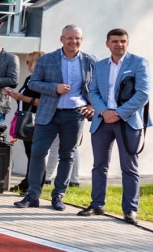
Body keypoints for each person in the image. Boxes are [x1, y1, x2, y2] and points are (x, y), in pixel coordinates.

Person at [15, 25, 95, 211]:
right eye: (69, 38)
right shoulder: (47, 59)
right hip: (48, 113)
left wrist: (91, 106)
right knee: (37, 153)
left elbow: (97, 88)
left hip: (75, 115)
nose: (73, 42)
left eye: (77, 38)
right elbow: (34, 83)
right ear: (62, 39)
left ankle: (58, 196)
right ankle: (33, 195)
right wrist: (54, 88)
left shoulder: (90, 61)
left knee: (67, 156)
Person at [84, 29, 151, 223]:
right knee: (99, 165)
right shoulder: (100, 65)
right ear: (107, 44)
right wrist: (105, 112)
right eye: (115, 41)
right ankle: (97, 205)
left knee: (129, 167)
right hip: (102, 120)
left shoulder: (139, 63)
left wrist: (119, 113)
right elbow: (93, 91)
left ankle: (130, 210)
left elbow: (143, 94)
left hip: (128, 121)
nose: (119, 44)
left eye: (122, 41)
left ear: (127, 43)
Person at [6, 51, 44, 193]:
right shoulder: (30, 79)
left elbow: (42, 102)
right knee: (30, 153)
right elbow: (24, 98)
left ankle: (34, 185)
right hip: (25, 119)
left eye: (28, 62)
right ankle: (27, 183)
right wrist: (15, 95)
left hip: (35, 120)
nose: (27, 64)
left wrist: (21, 97)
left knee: (36, 154)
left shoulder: (41, 81)